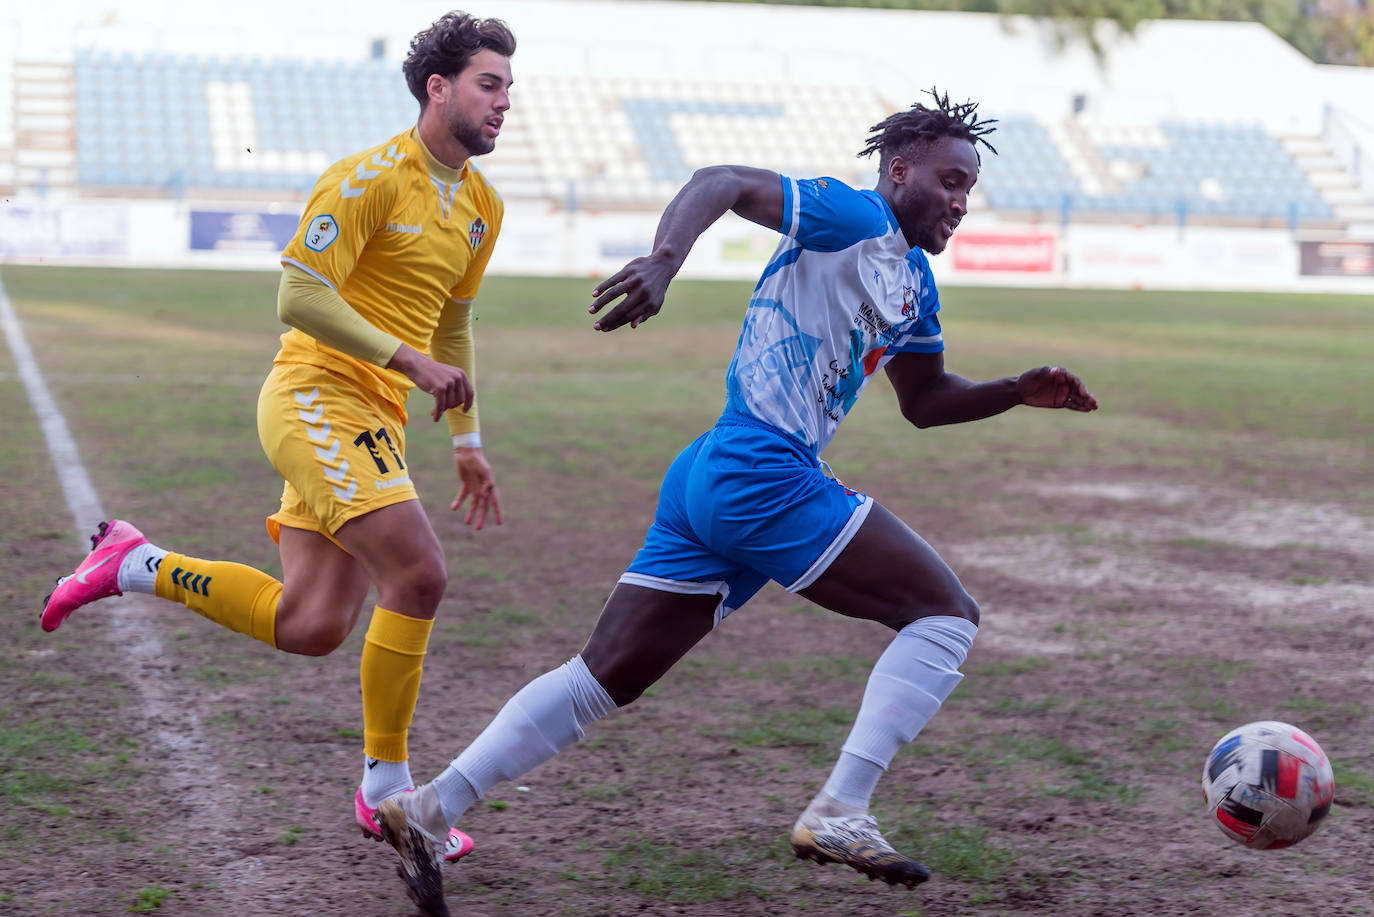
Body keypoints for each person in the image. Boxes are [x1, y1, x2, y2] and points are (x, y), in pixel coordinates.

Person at [375, 89, 1099, 913]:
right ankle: (841, 808)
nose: (960, 201)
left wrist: (1014, 391)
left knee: (602, 677)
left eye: (969, 187)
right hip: (763, 469)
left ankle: (429, 809)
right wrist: (665, 260)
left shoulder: (915, 283)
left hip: (718, 472)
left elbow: (925, 398)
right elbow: (718, 178)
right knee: (946, 615)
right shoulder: (853, 216)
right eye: (948, 180)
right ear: (898, 172)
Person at [39, 11, 518, 861]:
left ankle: (133, 563)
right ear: (438, 87)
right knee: (418, 571)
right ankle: (387, 791)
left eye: (509, 87)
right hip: (312, 396)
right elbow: (298, 296)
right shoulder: (367, 178)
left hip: (375, 420)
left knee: (311, 623)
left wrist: (467, 440)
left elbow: (456, 323)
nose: (504, 101)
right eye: (490, 83)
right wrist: (408, 361)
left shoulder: (483, 206)